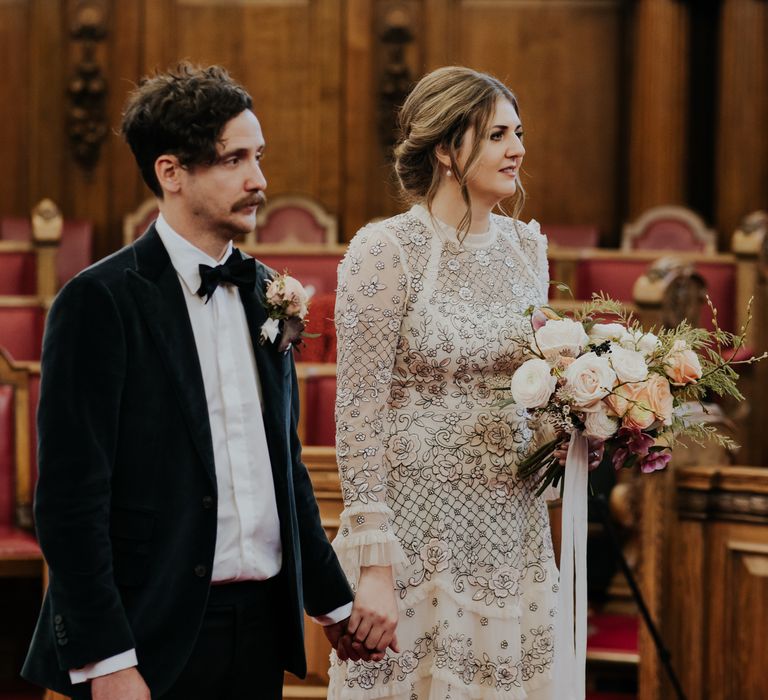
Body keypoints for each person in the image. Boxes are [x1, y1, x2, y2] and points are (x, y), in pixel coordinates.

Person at [22, 63, 355, 700]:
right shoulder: (99, 301)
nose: (260, 181)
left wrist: (332, 604)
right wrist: (106, 660)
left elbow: (283, 465)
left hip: (258, 628)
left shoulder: (266, 292)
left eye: (259, 156)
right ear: (171, 172)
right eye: (234, 160)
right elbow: (70, 501)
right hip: (147, 632)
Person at [329, 66, 599, 699]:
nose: (518, 149)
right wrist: (373, 565)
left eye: (519, 132)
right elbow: (358, 409)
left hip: (510, 520)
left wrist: (588, 412)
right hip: (418, 526)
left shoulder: (526, 250)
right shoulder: (386, 250)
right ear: (448, 150)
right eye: (499, 134)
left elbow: (530, 387)